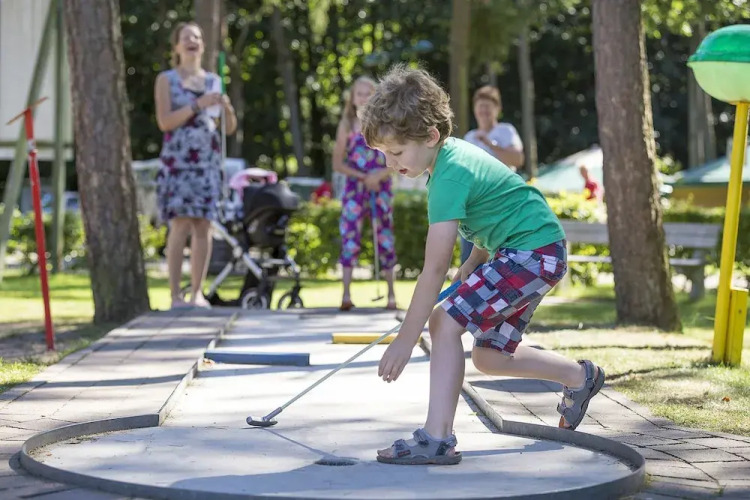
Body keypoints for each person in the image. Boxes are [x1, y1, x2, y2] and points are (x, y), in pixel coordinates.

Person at [360, 65, 604, 465]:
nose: (389, 162)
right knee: (489, 357)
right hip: (536, 250)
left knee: (443, 322)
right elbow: (496, 205)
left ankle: (437, 438)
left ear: (430, 136)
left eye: (397, 152)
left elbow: (433, 269)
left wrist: (406, 338)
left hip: (530, 253)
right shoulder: (451, 159)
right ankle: (580, 377)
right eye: (383, 154)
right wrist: (476, 258)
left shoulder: (448, 176)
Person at [155, 22, 237, 309]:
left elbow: (227, 128)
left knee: (204, 226)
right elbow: (165, 122)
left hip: (207, 164)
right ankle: (175, 296)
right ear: (177, 46)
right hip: (178, 163)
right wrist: (197, 105)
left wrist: (226, 108)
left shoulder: (213, 81)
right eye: (186, 37)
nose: (193, 40)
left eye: (197, 37)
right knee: (180, 225)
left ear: (202, 45)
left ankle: (197, 293)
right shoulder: (166, 80)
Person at [332, 76, 398, 311]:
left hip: (381, 187)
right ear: (352, 98)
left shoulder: (386, 124)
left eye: (367, 93)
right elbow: (337, 163)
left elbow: (397, 158)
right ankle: (346, 294)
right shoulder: (346, 125)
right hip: (355, 188)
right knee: (350, 236)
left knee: (385, 237)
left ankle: (391, 294)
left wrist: (378, 175)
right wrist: (363, 177)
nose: (362, 98)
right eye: (358, 94)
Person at [459, 85, 524, 263]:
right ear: (474, 110)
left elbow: (518, 159)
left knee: (501, 257)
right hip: (474, 206)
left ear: (498, 109)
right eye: (480, 106)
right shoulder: (470, 137)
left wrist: (491, 145)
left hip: (502, 203)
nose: (484, 111)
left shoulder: (506, 130)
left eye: (488, 107)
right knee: (469, 260)